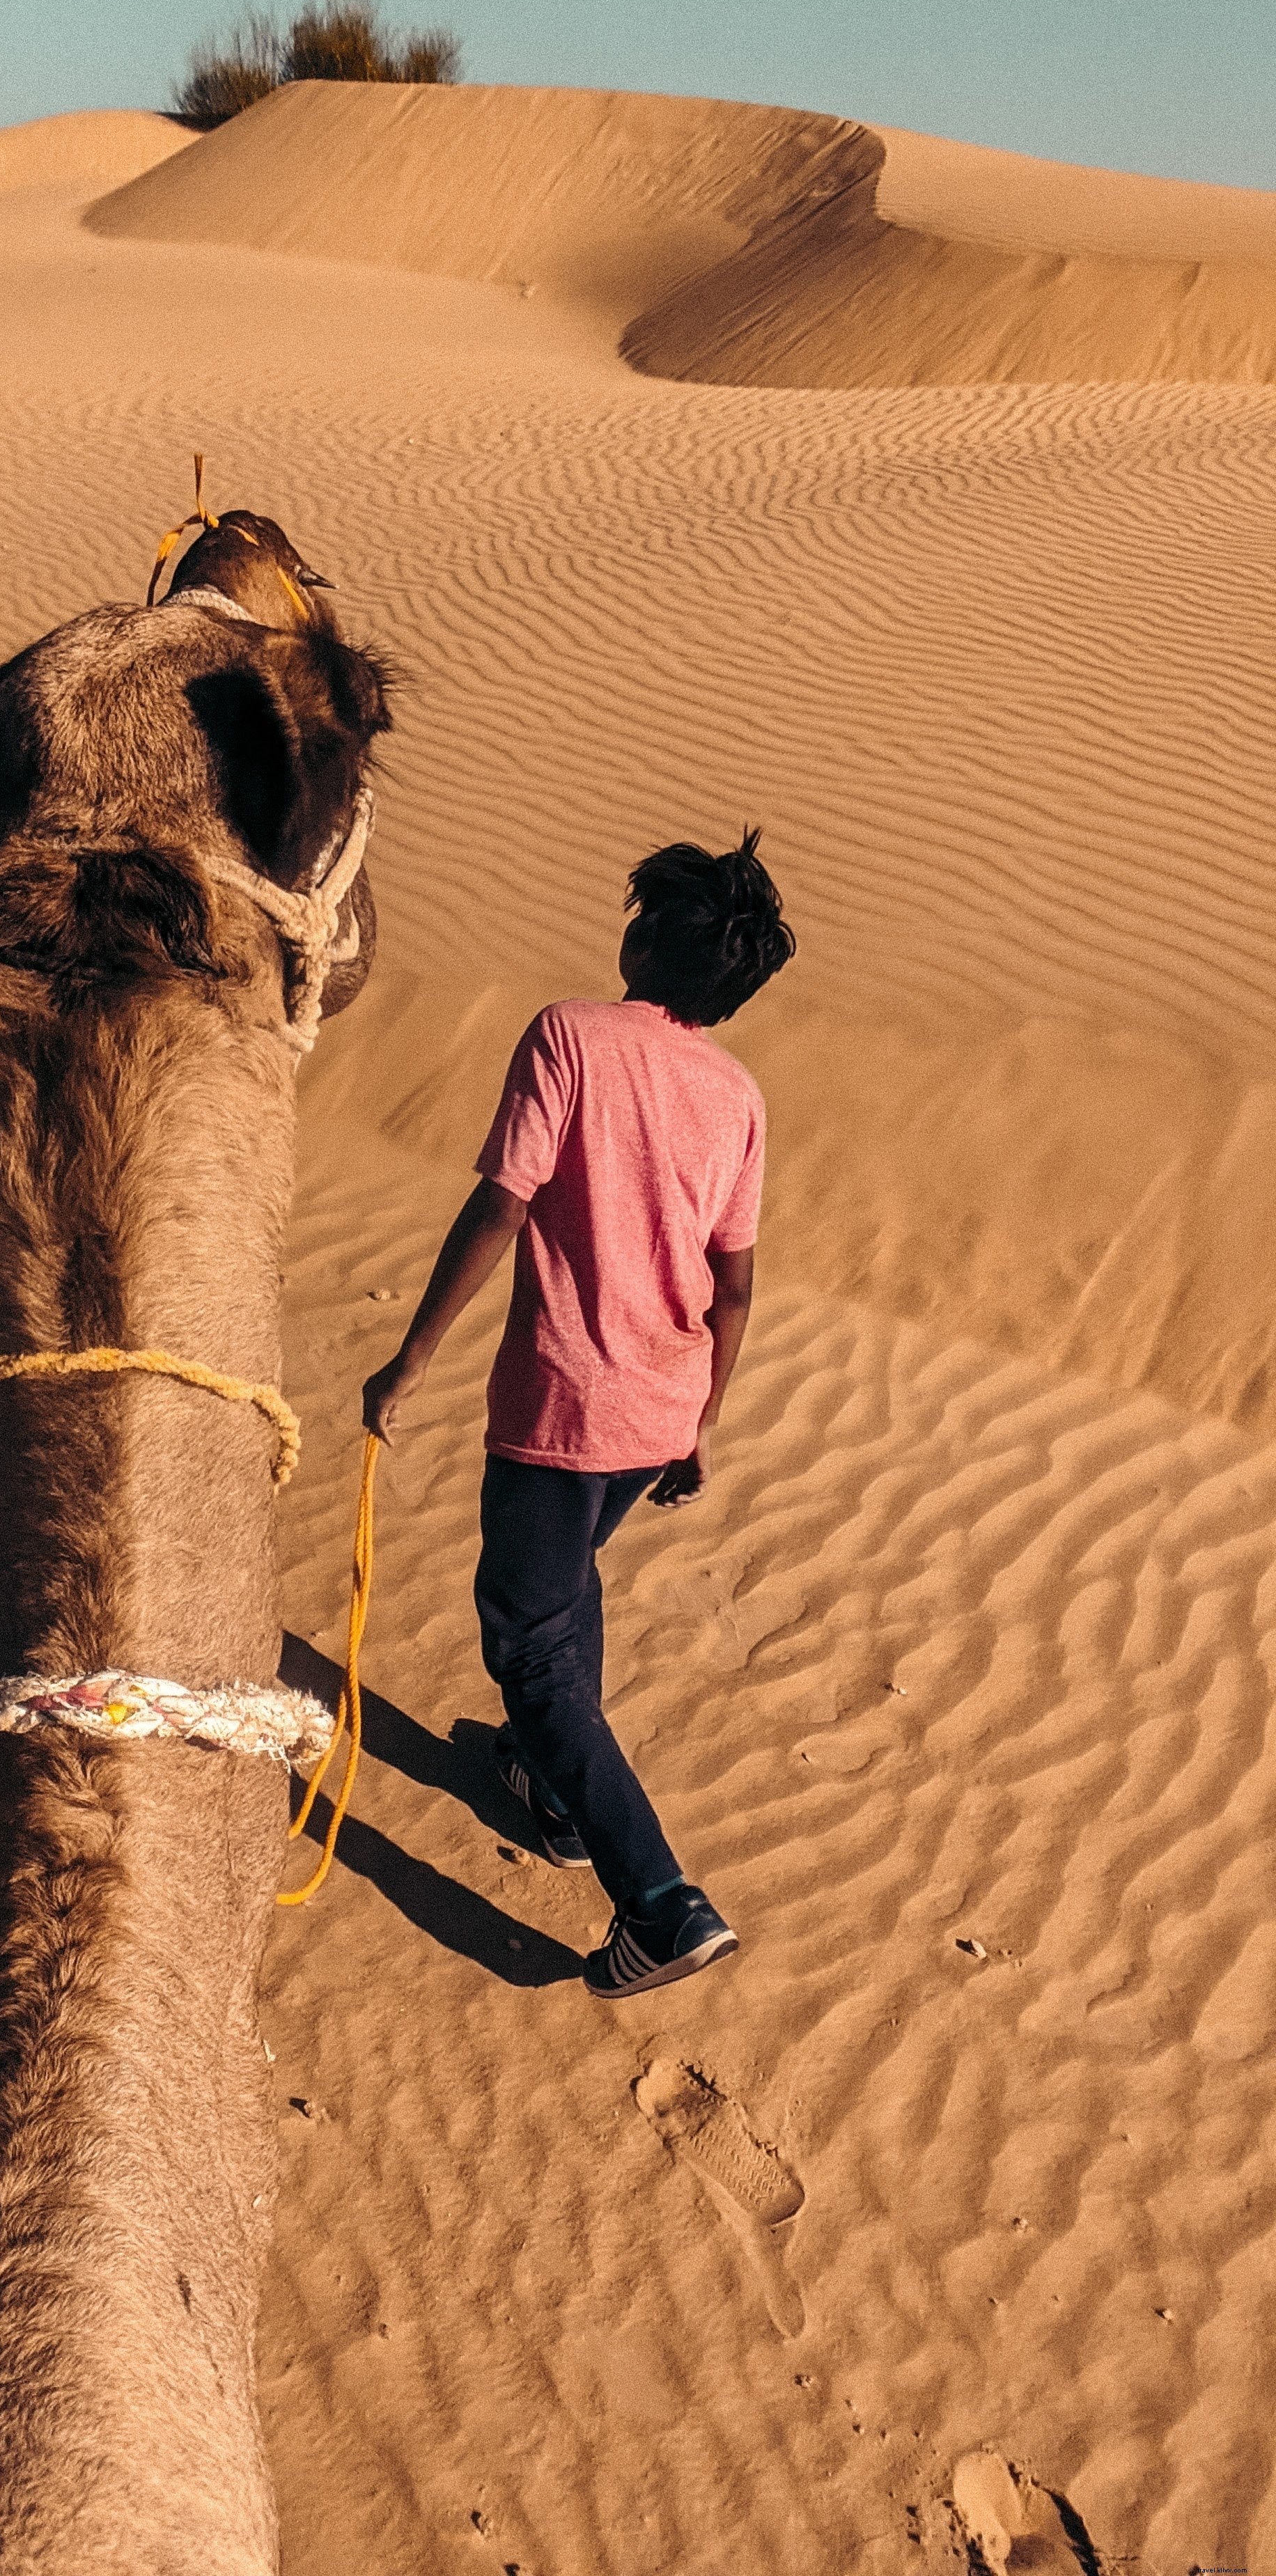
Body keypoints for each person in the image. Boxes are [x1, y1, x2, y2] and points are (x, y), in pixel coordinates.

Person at [361, 831, 796, 1999]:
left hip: (563, 1409)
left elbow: (503, 1205)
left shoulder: (570, 1035)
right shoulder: (737, 1095)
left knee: (532, 1647)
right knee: (564, 1594)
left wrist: (408, 1361)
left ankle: (660, 1905)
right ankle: (550, 1797)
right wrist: (704, 1418)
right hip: (660, 1409)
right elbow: (737, 1283)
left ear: (646, 938)